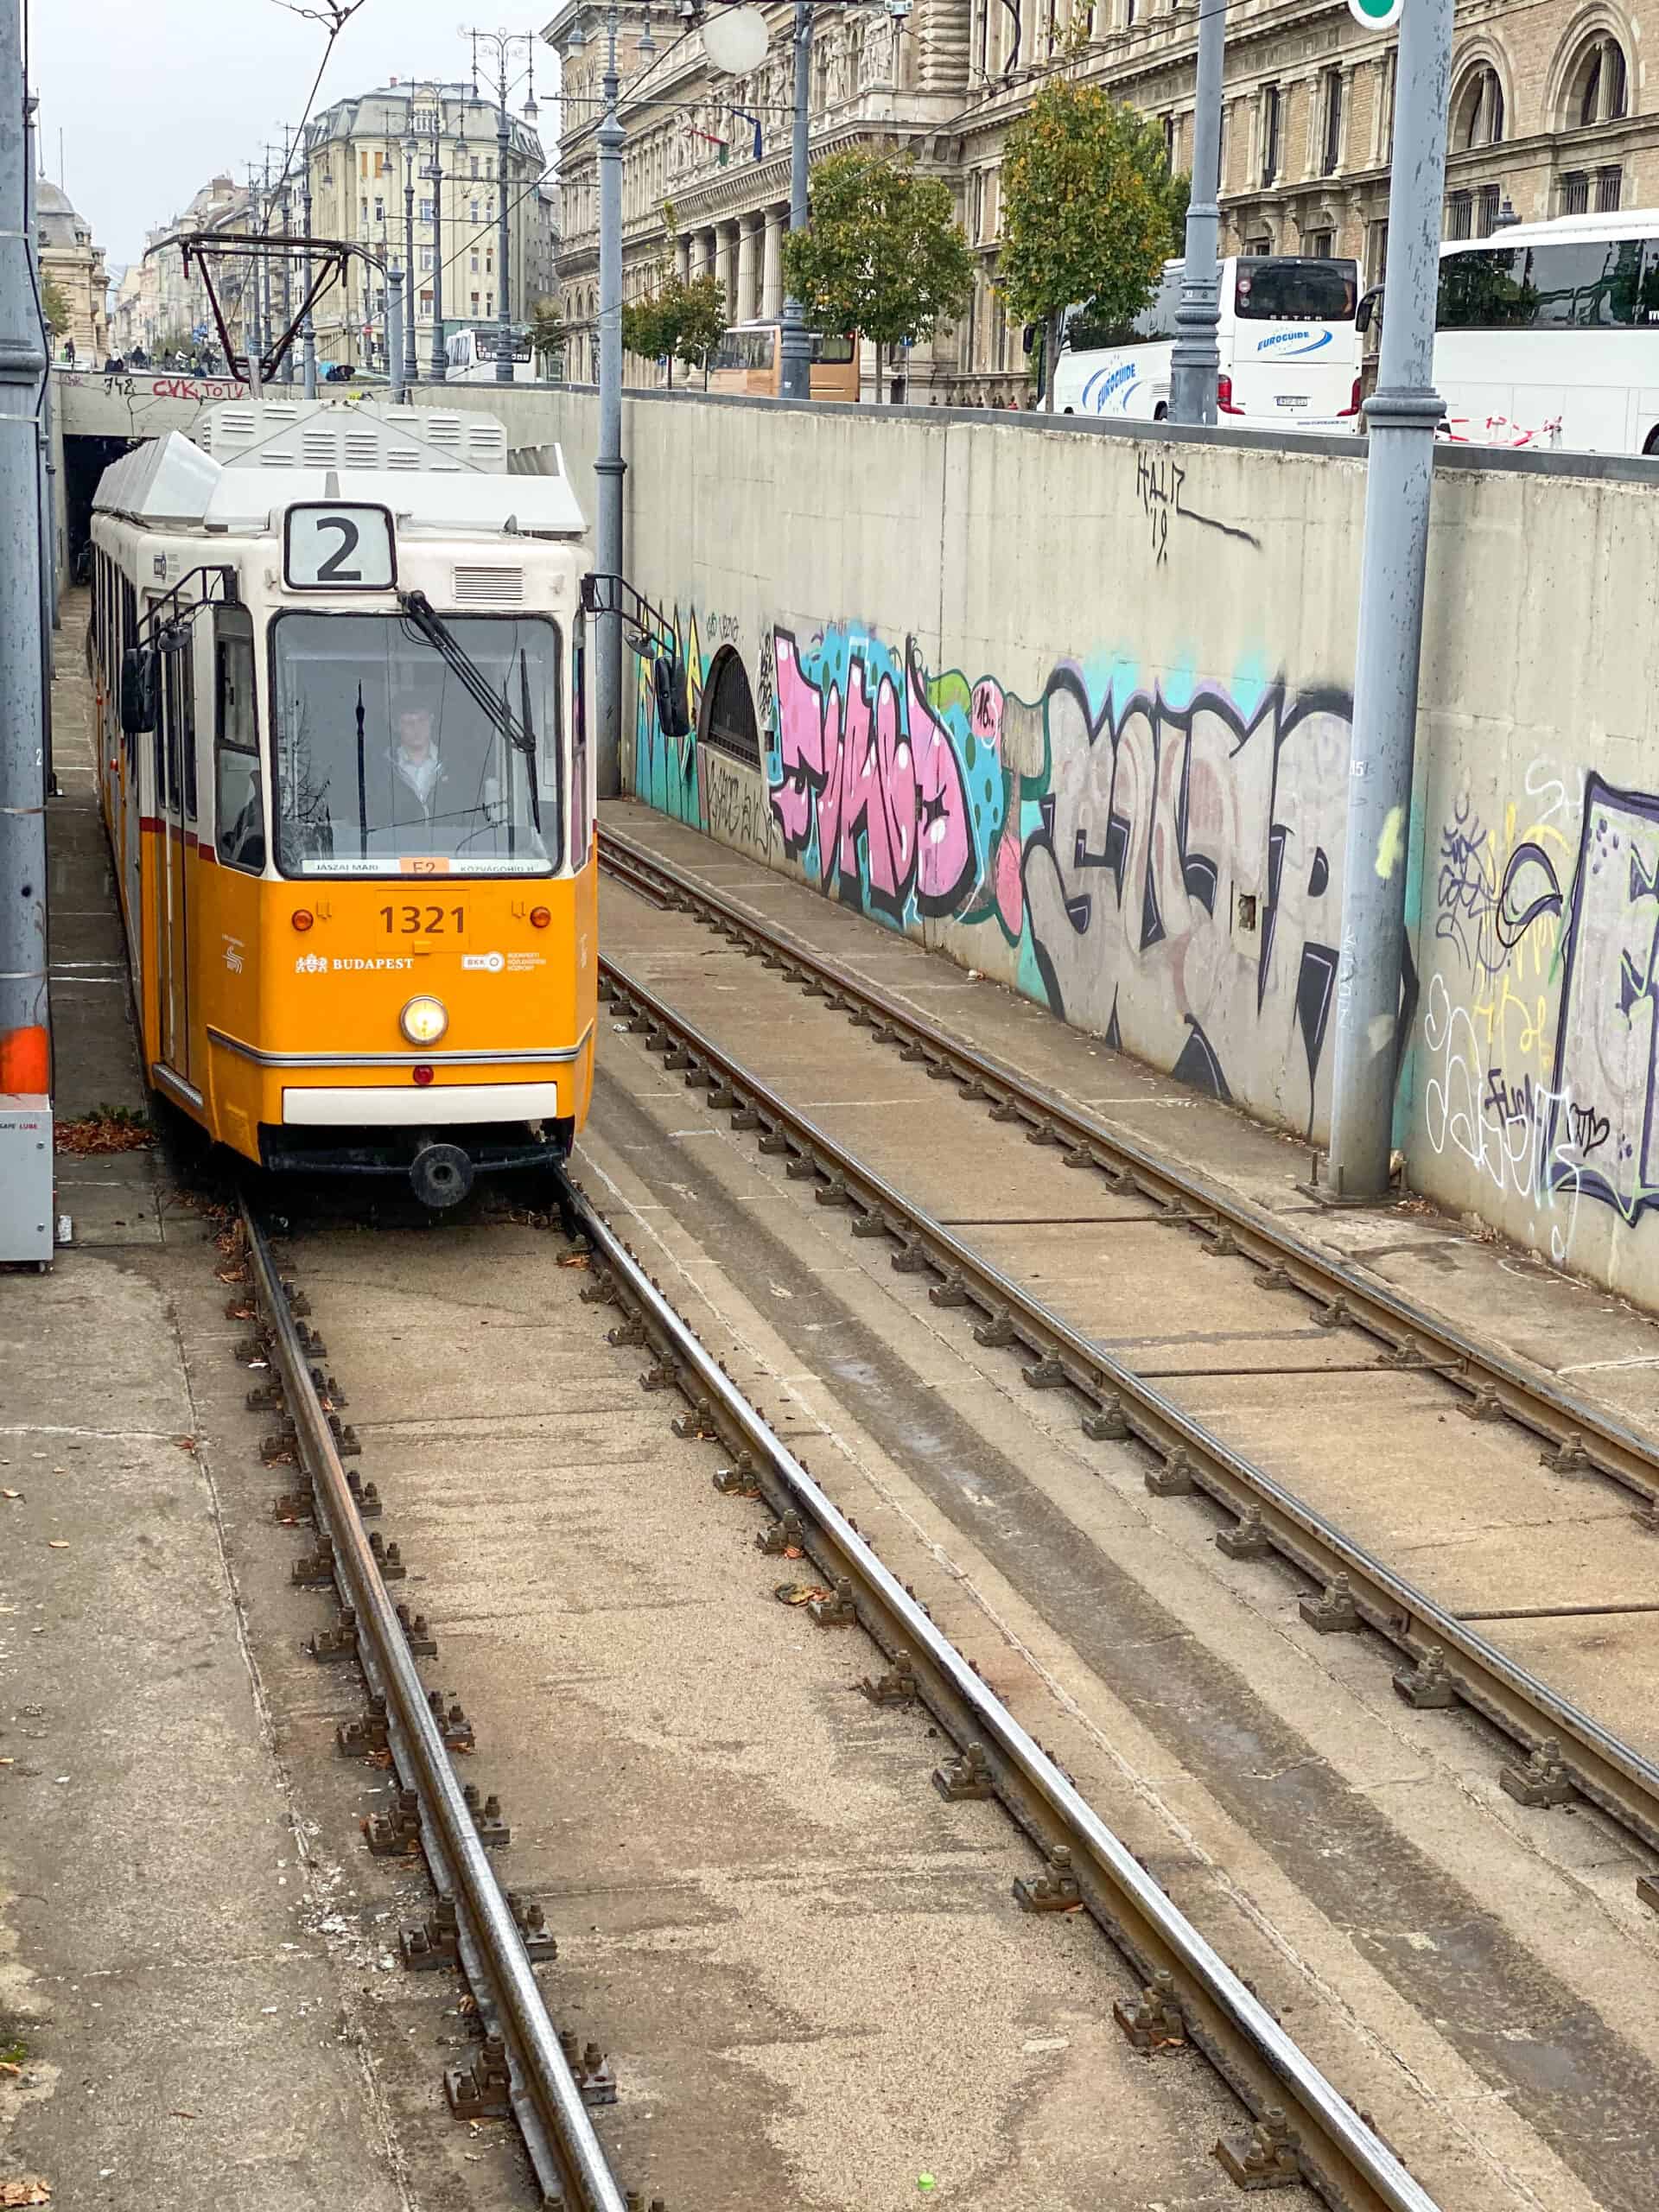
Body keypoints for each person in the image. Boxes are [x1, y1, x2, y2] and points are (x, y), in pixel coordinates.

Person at [387, 697, 454, 832]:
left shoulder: (453, 765)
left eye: (422, 720)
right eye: (408, 722)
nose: (416, 728)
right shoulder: (384, 769)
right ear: (396, 726)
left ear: (432, 721)